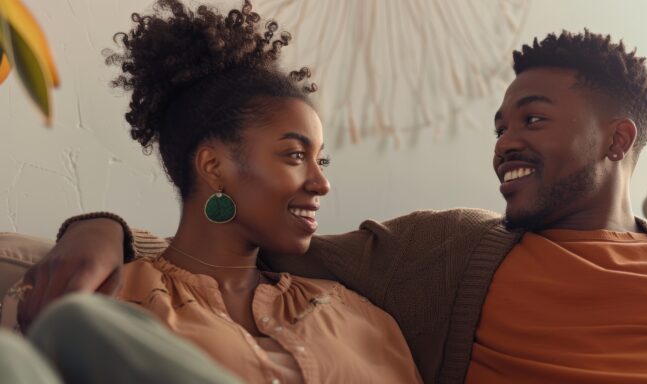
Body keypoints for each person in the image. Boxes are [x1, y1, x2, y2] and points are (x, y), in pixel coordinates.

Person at [14, 30, 647, 383]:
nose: (504, 142)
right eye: (499, 124)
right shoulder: (445, 253)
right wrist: (98, 229)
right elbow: (223, 249)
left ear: (618, 138)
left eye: (531, 120)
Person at [0, 1, 422, 383]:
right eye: (295, 155)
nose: (321, 182)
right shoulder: (114, 298)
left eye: (321, 161)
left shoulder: (355, 317)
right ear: (213, 167)